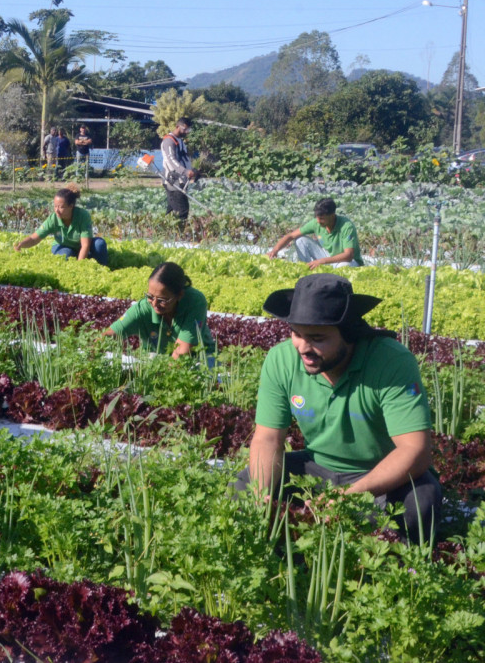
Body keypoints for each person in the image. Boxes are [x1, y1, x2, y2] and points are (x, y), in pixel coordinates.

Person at [233, 274, 441, 543]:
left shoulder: (391, 362)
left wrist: (350, 497)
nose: (303, 348)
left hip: (380, 475)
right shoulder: (281, 359)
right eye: (296, 334)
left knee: (420, 503)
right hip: (316, 469)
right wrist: (261, 498)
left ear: (349, 334)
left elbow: (415, 451)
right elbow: (268, 438)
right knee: (244, 485)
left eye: (317, 338)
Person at [103, 261, 215, 361]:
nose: (154, 303)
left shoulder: (194, 302)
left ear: (179, 295)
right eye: (150, 296)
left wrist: (161, 378)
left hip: (199, 358)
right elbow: (109, 335)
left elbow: (182, 353)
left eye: (162, 300)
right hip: (156, 358)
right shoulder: (142, 308)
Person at [13, 185, 109, 265]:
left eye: (61, 207)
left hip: (81, 247)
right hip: (62, 246)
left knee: (99, 244)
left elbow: (85, 245)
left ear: (71, 206)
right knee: (66, 254)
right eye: (55, 206)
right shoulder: (53, 218)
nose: (57, 210)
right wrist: (21, 244)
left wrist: (80, 267)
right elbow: (34, 238)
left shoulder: (83, 216)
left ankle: (100, 270)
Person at [267, 197, 362, 269]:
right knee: (300, 240)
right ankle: (307, 270)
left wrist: (321, 261)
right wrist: (275, 250)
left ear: (332, 216)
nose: (318, 221)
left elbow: (348, 255)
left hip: (347, 261)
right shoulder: (316, 223)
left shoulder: (346, 226)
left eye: (322, 218)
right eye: (317, 217)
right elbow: (291, 235)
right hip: (328, 257)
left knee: (343, 267)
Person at [160, 118, 195, 229]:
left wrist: (192, 170)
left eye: (187, 130)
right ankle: (178, 234)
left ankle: (164, 232)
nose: (186, 132)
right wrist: (185, 171)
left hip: (180, 180)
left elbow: (184, 159)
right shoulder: (169, 141)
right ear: (177, 126)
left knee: (172, 210)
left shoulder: (180, 141)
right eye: (184, 129)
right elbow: (171, 160)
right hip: (173, 180)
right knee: (182, 209)